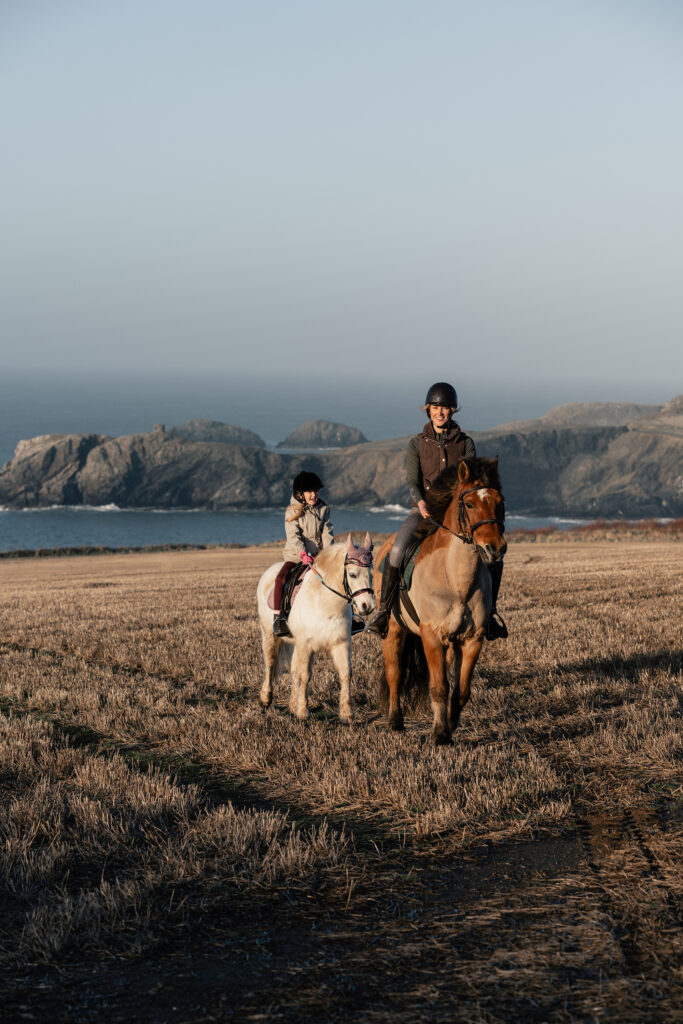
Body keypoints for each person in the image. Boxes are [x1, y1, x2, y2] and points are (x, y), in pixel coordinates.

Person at [366, 381, 507, 640]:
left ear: (452, 411)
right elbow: (412, 480)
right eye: (435, 408)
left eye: (444, 408)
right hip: (423, 510)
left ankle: (490, 617)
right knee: (397, 549)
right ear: (428, 410)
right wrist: (420, 502)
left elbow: (473, 482)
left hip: (458, 516)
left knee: (494, 556)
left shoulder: (466, 443)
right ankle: (384, 611)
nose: (439, 412)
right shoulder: (416, 444)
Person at [272, 470, 334, 637]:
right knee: (280, 579)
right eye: (310, 492)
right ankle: (278, 618)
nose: (314, 495)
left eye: (316, 491)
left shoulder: (323, 509)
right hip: (296, 557)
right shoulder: (292, 511)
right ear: (300, 494)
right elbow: (294, 536)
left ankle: (350, 615)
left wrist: (328, 555)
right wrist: (303, 554)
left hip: (319, 557)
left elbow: (327, 534)